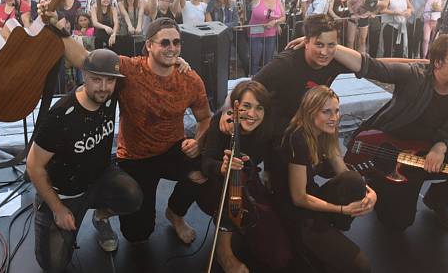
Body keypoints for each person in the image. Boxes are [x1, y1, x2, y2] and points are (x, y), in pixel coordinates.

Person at [289, 33, 448, 233]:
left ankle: (437, 199)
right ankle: (380, 181)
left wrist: (444, 146)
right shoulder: (415, 76)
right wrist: (324, 44)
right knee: (396, 223)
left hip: (433, 156)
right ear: (437, 62)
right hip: (394, 155)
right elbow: (370, 66)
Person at [53, 15, 211, 244]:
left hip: (172, 148)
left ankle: (175, 214)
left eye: (176, 43)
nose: (172, 48)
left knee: (204, 170)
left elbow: (205, 117)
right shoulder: (130, 69)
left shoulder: (190, 79)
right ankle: (104, 212)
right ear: (149, 45)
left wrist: (198, 142)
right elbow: (86, 61)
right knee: (138, 235)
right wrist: (60, 31)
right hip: (136, 157)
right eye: (165, 42)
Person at [26, 49, 142, 272]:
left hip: (99, 178)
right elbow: (33, 165)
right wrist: (57, 208)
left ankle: (100, 217)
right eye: (96, 79)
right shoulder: (60, 116)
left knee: (133, 196)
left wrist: (178, 60)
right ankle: (48, 210)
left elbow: (146, 67)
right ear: (83, 76)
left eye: (109, 80)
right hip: (64, 192)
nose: (103, 87)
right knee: (53, 265)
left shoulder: (110, 95)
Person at [273, 86, 374, 273]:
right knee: (362, 266)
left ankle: (329, 233)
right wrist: (342, 209)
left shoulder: (326, 132)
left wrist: (369, 191)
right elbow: (298, 197)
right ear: (310, 112)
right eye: (326, 112)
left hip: (313, 198)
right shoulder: (297, 138)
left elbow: (343, 172)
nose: (334, 117)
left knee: (353, 180)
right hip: (294, 212)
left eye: (336, 111)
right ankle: (307, 242)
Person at [198, 80, 291, 273]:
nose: (252, 114)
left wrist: (269, 174)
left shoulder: (268, 127)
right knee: (235, 179)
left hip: (248, 181)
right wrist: (222, 167)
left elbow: (272, 158)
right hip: (216, 186)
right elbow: (206, 163)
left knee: (279, 257)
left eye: (259, 108)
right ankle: (223, 252)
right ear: (234, 107)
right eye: (246, 106)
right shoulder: (222, 123)